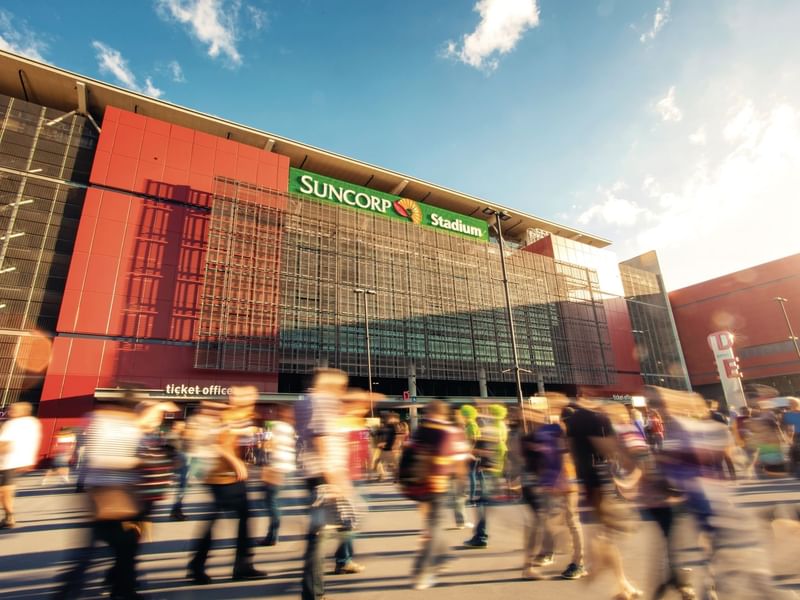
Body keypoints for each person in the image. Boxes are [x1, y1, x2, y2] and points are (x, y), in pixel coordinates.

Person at [55, 395, 145, 600]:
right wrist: (135, 462)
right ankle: (118, 590)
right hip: (106, 492)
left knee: (122, 545)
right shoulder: (107, 424)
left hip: (115, 491)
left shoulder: (111, 422)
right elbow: (97, 458)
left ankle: (122, 589)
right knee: (111, 546)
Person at [563, 398, 642, 600]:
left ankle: (621, 584)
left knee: (608, 531)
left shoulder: (573, 423)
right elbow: (607, 449)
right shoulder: (594, 419)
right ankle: (596, 564)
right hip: (601, 479)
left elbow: (571, 451)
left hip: (589, 480)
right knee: (616, 529)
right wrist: (633, 471)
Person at [186, 386, 265, 585]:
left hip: (230, 477)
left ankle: (238, 565)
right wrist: (235, 461)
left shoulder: (244, 414)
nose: (249, 397)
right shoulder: (227, 414)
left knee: (241, 518)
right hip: (221, 476)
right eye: (244, 394)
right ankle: (201, 566)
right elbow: (216, 443)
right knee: (221, 521)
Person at [296, 368, 363, 600]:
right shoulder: (321, 401)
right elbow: (321, 439)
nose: (342, 390)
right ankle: (313, 593)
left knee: (322, 533)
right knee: (319, 537)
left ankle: (318, 585)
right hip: (325, 476)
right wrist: (336, 480)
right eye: (340, 385)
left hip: (314, 474)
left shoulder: (305, 400)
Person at [519, 398, 586, 581]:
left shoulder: (559, 430)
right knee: (547, 522)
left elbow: (567, 454)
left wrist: (560, 480)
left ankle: (578, 562)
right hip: (549, 484)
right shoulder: (541, 432)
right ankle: (543, 556)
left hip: (566, 482)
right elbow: (541, 459)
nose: (527, 415)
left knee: (571, 520)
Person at [407, 400, 468, 590]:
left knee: (432, 523)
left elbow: (407, 455)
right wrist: (461, 482)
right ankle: (422, 571)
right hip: (439, 485)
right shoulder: (450, 431)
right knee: (433, 526)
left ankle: (442, 556)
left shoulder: (419, 431)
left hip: (416, 484)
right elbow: (459, 461)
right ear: (444, 413)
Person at [464, 403, 507, 548]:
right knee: (484, 503)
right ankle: (480, 535)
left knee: (483, 503)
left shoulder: (490, 426)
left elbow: (485, 446)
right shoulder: (500, 425)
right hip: (495, 466)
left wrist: (478, 456)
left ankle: (481, 537)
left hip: (489, 466)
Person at [0, 401, 42, 528]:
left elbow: (4, 444)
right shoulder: (34, 423)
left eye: (13, 409)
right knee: (6, 490)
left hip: (6, 462)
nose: (9, 411)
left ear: (22, 411)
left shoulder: (12, 424)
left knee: (5, 490)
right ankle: (9, 516)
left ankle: (9, 516)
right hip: (18, 461)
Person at [260, 404, 296, 546]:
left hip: (276, 467)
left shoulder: (276, 426)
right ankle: (273, 534)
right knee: (274, 501)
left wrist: (266, 466)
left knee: (271, 502)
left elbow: (269, 445)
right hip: (287, 467)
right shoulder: (290, 428)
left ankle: (272, 535)